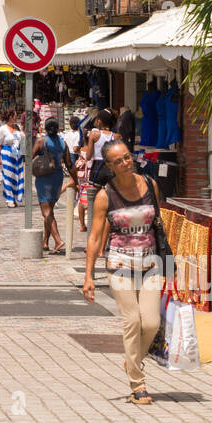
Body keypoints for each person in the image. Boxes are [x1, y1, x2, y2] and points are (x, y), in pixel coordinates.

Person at [83, 139, 165, 405]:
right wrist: (88, 276)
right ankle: (138, 386)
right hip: (120, 264)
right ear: (109, 165)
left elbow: (160, 227)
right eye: (118, 161)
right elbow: (95, 238)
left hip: (151, 263)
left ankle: (132, 361)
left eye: (127, 157)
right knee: (133, 321)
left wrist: (171, 268)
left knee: (151, 322)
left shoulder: (150, 185)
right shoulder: (106, 195)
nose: (125, 163)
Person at [32, 119, 77, 254]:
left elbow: (29, 157)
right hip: (57, 178)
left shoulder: (41, 141)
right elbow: (70, 165)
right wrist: (76, 181)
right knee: (50, 211)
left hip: (44, 179)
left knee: (46, 212)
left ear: (45, 128)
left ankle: (58, 240)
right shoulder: (63, 143)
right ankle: (45, 242)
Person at [0, 109, 25, 208]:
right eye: (16, 115)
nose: (17, 117)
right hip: (7, 155)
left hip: (18, 156)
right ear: (11, 117)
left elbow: (23, 141)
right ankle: (9, 199)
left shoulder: (18, 127)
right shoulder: (3, 129)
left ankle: (16, 197)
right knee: (7, 178)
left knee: (17, 177)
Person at [85, 109, 118, 188]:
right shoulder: (116, 136)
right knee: (112, 196)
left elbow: (88, 157)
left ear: (99, 121)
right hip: (112, 168)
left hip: (97, 169)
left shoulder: (94, 134)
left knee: (95, 197)